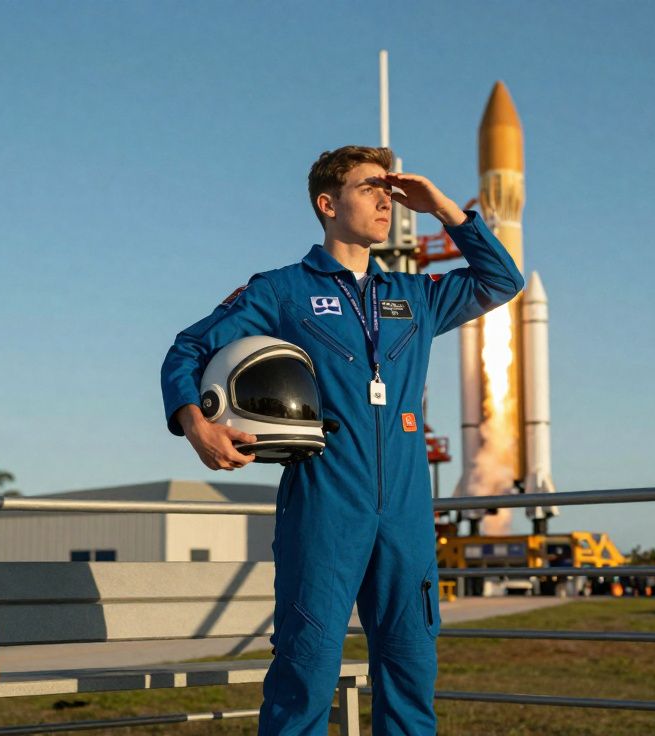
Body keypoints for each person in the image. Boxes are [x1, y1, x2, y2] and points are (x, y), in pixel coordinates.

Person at [160, 145, 524, 734]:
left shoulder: (418, 297)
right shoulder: (283, 291)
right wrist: (195, 423)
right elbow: (190, 347)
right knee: (306, 674)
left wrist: (444, 211)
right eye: (368, 188)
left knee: (410, 672)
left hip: (405, 507)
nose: (386, 200)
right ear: (328, 204)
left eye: (389, 190)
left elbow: (501, 280)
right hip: (326, 499)